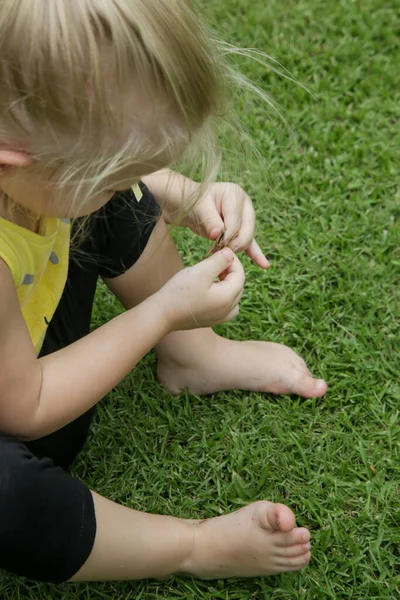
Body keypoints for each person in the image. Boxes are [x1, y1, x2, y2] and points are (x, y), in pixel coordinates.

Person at [0, 0, 327, 584]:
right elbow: (27, 408)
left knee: (105, 201)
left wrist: (173, 191)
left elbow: (81, 168)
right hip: (19, 404)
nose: (131, 185)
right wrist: (163, 312)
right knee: (8, 496)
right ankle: (191, 546)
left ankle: (193, 356)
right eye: (115, 173)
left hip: (20, 342)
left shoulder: (24, 157)